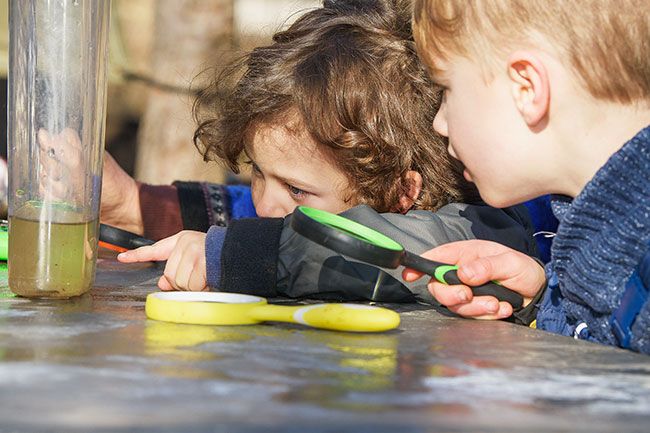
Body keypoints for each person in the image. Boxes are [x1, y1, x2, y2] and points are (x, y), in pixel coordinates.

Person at [107, 0, 539, 320]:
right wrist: (133, 203)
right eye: (259, 172)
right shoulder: (320, 196)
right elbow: (279, 217)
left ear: (401, 191)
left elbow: (362, 244)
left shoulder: (479, 227)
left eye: (296, 189)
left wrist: (236, 256)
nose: (265, 204)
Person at [404, 0, 650, 352]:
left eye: (447, 90)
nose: (438, 124)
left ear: (527, 88)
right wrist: (540, 295)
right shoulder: (609, 232)